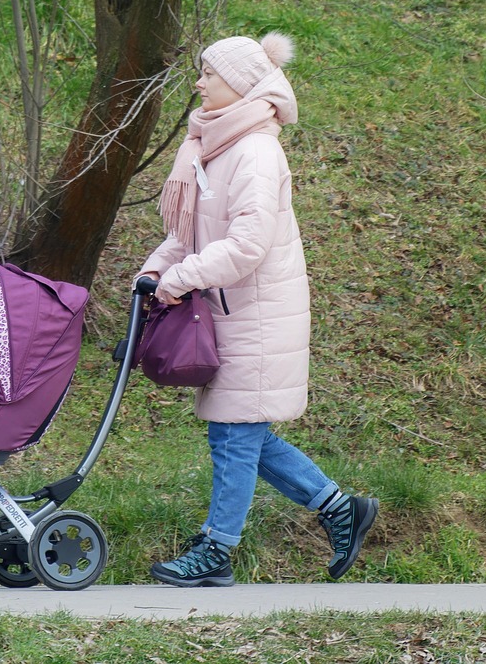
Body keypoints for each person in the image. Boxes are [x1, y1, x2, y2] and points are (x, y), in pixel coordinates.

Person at [138, 32, 378, 587]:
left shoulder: (255, 152)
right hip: (230, 311)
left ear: (241, 85)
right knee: (243, 435)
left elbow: (246, 246)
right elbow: (191, 232)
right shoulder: (214, 146)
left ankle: (216, 551)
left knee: (234, 437)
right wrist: (154, 271)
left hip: (259, 314)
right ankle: (340, 508)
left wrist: (180, 279)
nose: (198, 83)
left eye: (209, 75)